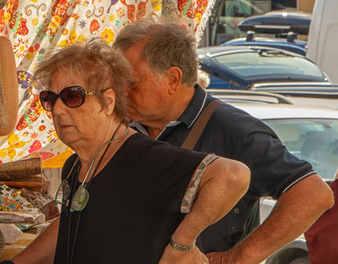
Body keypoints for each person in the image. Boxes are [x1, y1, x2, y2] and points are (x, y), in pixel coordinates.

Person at [5, 39, 250, 264]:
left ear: (109, 101)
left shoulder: (144, 158)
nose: (57, 110)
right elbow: (69, 224)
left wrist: (182, 244)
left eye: (72, 96)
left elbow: (233, 175)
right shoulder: (76, 165)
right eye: (50, 98)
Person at [113, 19, 334, 264]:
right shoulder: (124, 127)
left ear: (173, 80)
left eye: (132, 83)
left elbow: (313, 194)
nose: (121, 92)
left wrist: (237, 258)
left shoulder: (234, 131)